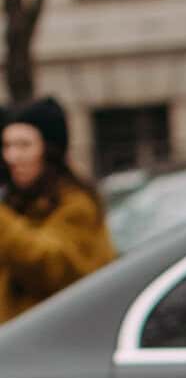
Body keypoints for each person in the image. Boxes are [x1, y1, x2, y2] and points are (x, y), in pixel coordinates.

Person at [0, 96, 115, 325]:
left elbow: (52, 265)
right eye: (7, 145)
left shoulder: (77, 205)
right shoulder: (16, 203)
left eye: (24, 145)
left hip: (55, 345)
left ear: (49, 149)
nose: (12, 156)